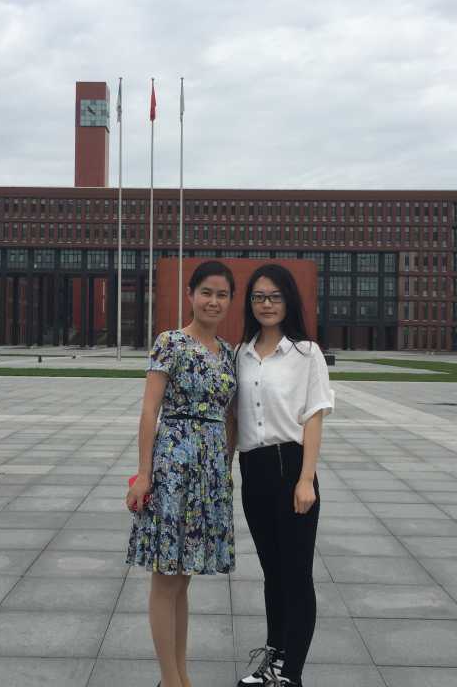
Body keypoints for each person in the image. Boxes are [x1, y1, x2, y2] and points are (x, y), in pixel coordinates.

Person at [126, 260, 238, 687]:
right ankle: (170, 680)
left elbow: (231, 419)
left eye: (222, 294)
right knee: (165, 576)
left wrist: (225, 470)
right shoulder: (170, 343)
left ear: (229, 301)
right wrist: (143, 474)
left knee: (183, 579)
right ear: (190, 295)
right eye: (206, 292)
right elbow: (149, 410)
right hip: (173, 468)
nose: (213, 301)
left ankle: (180, 674)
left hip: (209, 475)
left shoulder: (227, 353)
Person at [233, 264, 334, 687]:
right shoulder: (240, 353)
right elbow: (232, 418)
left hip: (290, 467)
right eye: (259, 297)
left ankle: (291, 675)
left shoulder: (306, 353)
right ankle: (274, 658)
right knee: (272, 573)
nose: (267, 304)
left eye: (275, 296)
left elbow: (314, 416)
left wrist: (306, 478)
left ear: (288, 300)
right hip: (253, 470)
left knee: (296, 574)